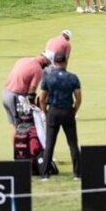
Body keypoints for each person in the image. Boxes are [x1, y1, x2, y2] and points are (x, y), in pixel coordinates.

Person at [37, 52, 82, 180]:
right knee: (73, 143)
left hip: (53, 111)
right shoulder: (73, 77)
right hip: (68, 111)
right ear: (66, 62)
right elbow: (78, 98)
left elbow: (42, 98)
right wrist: (75, 110)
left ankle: (45, 174)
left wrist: (45, 112)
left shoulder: (48, 78)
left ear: (54, 62)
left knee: (50, 143)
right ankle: (77, 173)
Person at [3, 51, 53, 139]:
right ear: (45, 60)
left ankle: (18, 151)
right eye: (48, 63)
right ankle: (18, 151)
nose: (47, 66)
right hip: (15, 97)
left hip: (5, 94)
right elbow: (31, 92)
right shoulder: (38, 70)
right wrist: (34, 106)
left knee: (15, 126)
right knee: (20, 127)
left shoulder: (23, 59)